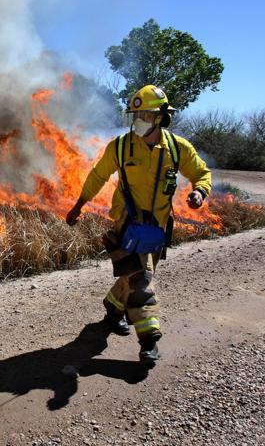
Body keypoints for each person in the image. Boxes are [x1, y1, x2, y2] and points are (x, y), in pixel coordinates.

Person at [65, 85, 212, 366]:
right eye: (135, 115)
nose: (138, 121)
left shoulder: (178, 149)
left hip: (156, 227)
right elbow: (97, 175)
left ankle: (112, 307)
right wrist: (78, 205)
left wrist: (199, 192)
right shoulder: (120, 146)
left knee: (133, 275)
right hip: (126, 223)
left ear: (161, 118)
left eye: (145, 114)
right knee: (141, 280)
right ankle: (149, 340)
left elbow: (202, 174)